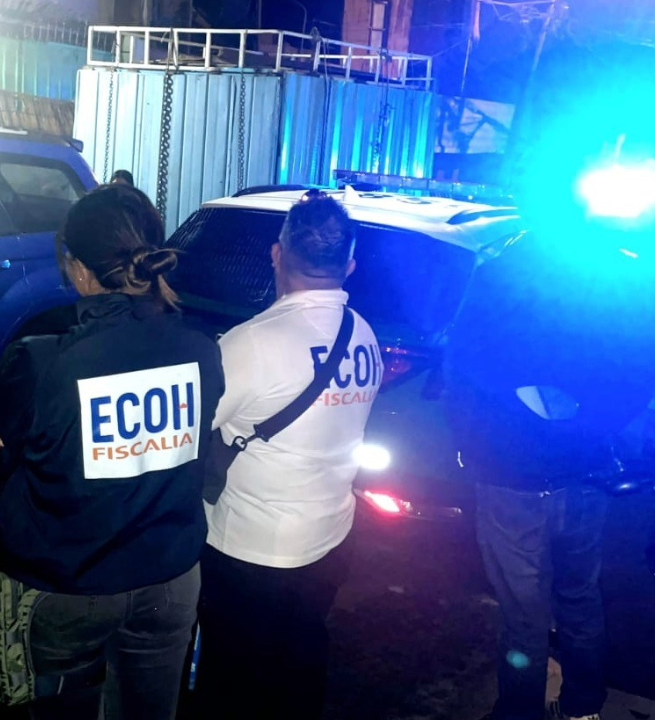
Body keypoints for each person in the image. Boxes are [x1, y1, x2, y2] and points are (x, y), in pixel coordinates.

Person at [0, 183, 224, 720]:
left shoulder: (44, 360)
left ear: (80, 269)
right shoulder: (202, 349)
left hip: (70, 585)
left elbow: (8, 457)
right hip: (170, 578)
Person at [443, 230, 655, 720]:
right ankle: (584, 707)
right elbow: (642, 373)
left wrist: (475, 447)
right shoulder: (619, 276)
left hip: (511, 480)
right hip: (585, 473)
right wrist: (592, 423)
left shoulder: (500, 275)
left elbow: (460, 370)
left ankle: (518, 712)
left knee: (523, 616)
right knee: (580, 597)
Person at [193, 189, 380, 720]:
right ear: (348, 265)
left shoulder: (250, 343)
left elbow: (192, 426)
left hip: (251, 550)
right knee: (301, 662)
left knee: (232, 680)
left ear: (277, 254)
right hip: (331, 536)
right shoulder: (363, 335)